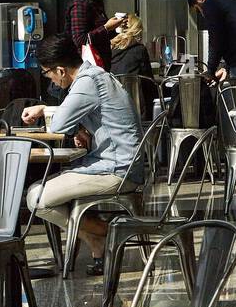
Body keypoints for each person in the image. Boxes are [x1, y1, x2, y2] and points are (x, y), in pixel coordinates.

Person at [21, 34, 145, 275]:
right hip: (118, 162)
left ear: (60, 70)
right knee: (41, 190)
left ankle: (106, 232)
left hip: (116, 169)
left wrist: (45, 108)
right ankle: (97, 243)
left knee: (37, 197)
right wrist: (81, 127)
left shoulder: (88, 82)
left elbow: (57, 126)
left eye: (48, 73)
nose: (51, 80)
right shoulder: (97, 75)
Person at [65, 0, 124, 69]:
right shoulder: (80, 5)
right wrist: (106, 27)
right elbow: (80, 40)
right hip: (85, 65)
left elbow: (99, 36)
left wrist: (116, 29)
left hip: (99, 64)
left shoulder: (96, 3)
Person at [109, 14, 154, 79]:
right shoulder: (140, 50)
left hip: (112, 87)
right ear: (138, 30)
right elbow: (148, 78)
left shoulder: (112, 47)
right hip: (131, 87)